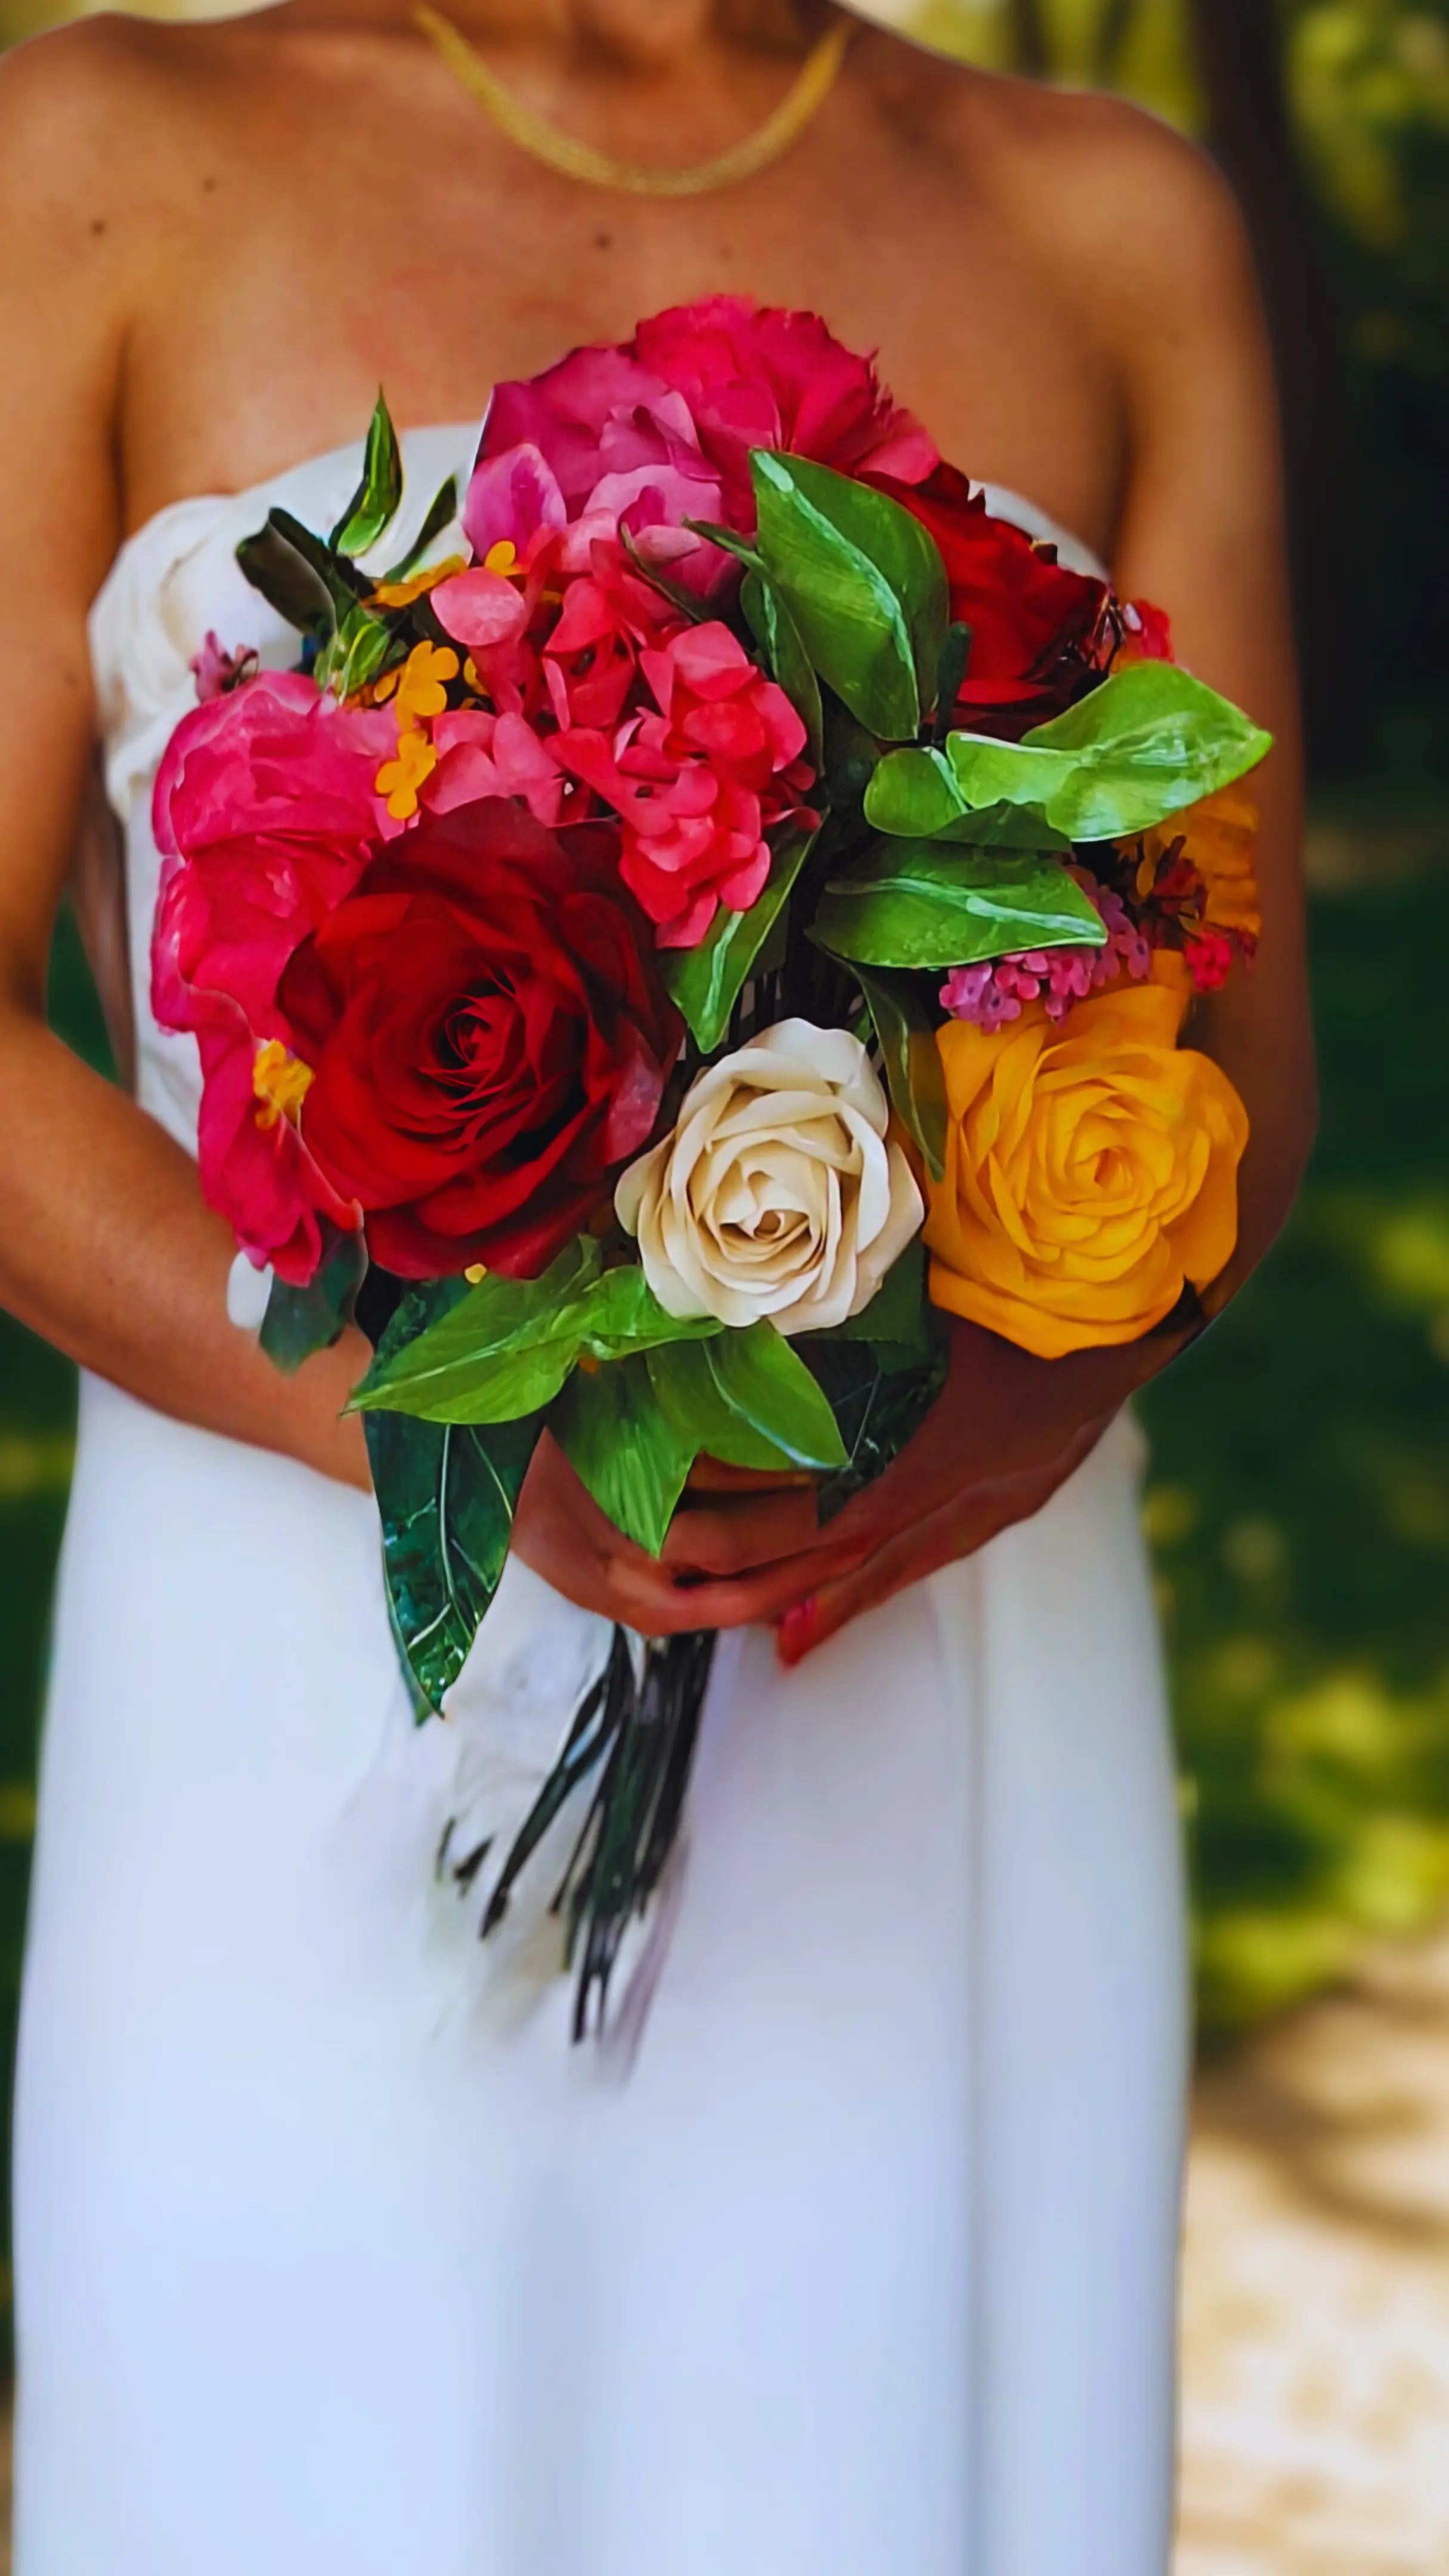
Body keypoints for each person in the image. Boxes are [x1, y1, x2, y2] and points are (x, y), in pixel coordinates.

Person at [0, 2, 1314, 2568]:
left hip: (928, 1641)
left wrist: (999, 1415)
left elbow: (1238, 1041)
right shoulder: (97, 158)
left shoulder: (1109, 221)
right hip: (299, 1681)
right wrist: (450, 1417)